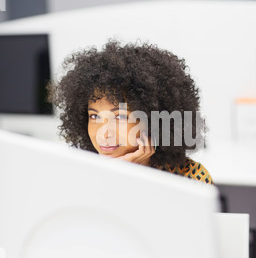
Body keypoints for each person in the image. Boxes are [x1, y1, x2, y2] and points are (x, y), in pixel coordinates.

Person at [48, 40, 213, 184]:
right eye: (94, 116)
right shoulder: (78, 178)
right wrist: (113, 174)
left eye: (120, 117)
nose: (103, 133)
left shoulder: (190, 179)